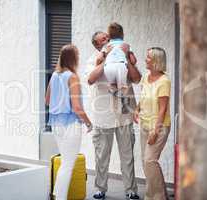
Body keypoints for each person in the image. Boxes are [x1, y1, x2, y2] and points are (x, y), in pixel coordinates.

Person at [85, 30, 141, 200]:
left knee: (127, 156)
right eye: (103, 39)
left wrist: (126, 58)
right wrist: (105, 58)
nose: (108, 40)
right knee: (101, 156)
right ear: (97, 45)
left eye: (108, 38)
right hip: (103, 117)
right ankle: (100, 188)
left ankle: (131, 190)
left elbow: (137, 78)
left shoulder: (123, 54)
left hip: (124, 116)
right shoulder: (92, 59)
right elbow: (90, 79)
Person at [45, 44, 92, 200]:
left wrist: (60, 100)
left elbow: (47, 100)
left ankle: (57, 195)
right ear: (73, 58)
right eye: (77, 55)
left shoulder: (54, 75)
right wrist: (88, 123)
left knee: (65, 163)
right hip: (70, 124)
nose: (78, 58)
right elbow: (77, 107)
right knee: (67, 165)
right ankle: (60, 198)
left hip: (56, 124)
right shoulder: (72, 77)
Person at [133, 47, 171, 200]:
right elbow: (143, 98)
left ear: (156, 61)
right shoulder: (146, 77)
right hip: (144, 124)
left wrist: (156, 131)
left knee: (150, 160)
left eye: (148, 57)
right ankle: (156, 195)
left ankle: (158, 197)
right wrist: (137, 109)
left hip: (158, 126)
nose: (145, 60)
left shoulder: (164, 81)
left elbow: (163, 110)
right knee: (146, 162)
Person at [95, 22, 137, 114]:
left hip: (109, 68)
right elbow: (133, 61)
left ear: (109, 36)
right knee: (123, 87)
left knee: (112, 86)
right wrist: (130, 58)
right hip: (122, 67)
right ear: (123, 35)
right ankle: (124, 102)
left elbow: (98, 60)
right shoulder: (126, 45)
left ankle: (114, 95)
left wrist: (101, 60)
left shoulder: (107, 46)